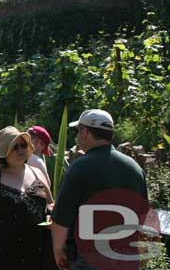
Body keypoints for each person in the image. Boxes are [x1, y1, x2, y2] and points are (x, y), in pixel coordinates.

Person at [51, 110, 148, 270]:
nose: (76, 136)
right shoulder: (134, 168)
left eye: (78, 131)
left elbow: (61, 219)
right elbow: (142, 215)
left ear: (85, 132)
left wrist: (58, 252)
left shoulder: (79, 168)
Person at [0, 127, 56, 270]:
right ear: (4, 152)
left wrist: (51, 216)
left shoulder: (37, 173)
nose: (20, 150)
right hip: (2, 254)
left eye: (23, 145)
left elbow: (51, 204)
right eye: (14, 147)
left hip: (38, 251)